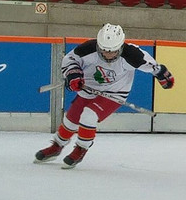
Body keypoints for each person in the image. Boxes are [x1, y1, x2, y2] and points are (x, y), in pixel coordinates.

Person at [35, 24, 174, 168]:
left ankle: (81, 148)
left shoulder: (133, 54)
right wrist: (73, 75)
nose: (107, 54)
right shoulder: (88, 48)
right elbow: (70, 60)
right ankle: (57, 146)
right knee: (71, 118)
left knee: (89, 115)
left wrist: (164, 76)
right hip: (88, 89)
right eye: (104, 50)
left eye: (112, 51)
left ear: (120, 46)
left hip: (114, 93)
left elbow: (154, 67)